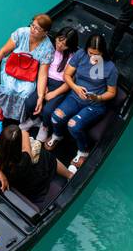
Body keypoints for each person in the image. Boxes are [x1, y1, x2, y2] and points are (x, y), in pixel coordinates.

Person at [35, 34, 116, 168]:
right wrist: (76, 88)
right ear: (86, 50)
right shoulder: (80, 54)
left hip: (95, 104)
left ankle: (83, 151)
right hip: (75, 96)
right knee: (55, 117)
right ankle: (57, 135)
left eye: (97, 54)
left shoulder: (110, 67)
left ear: (103, 52)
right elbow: (67, 75)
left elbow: (112, 92)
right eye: (91, 53)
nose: (93, 57)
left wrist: (98, 97)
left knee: (73, 125)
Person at [0, 15, 55, 122]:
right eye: (33, 26)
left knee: (25, 92)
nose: (33, 30)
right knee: (8, 87)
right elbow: (3, 51)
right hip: (12, 67)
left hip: (29, 74)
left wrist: (40, 96)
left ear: (45, 32)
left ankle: (5, 110)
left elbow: (42, 74)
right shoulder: (21, 33)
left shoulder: (48, 48)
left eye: (37, 29)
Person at [0, 125, 75, 204]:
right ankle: (70, 175)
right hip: (33, 183)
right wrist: (22, 132)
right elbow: (25, 140)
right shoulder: (24, 158)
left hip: (17, 182)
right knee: (45, 155)